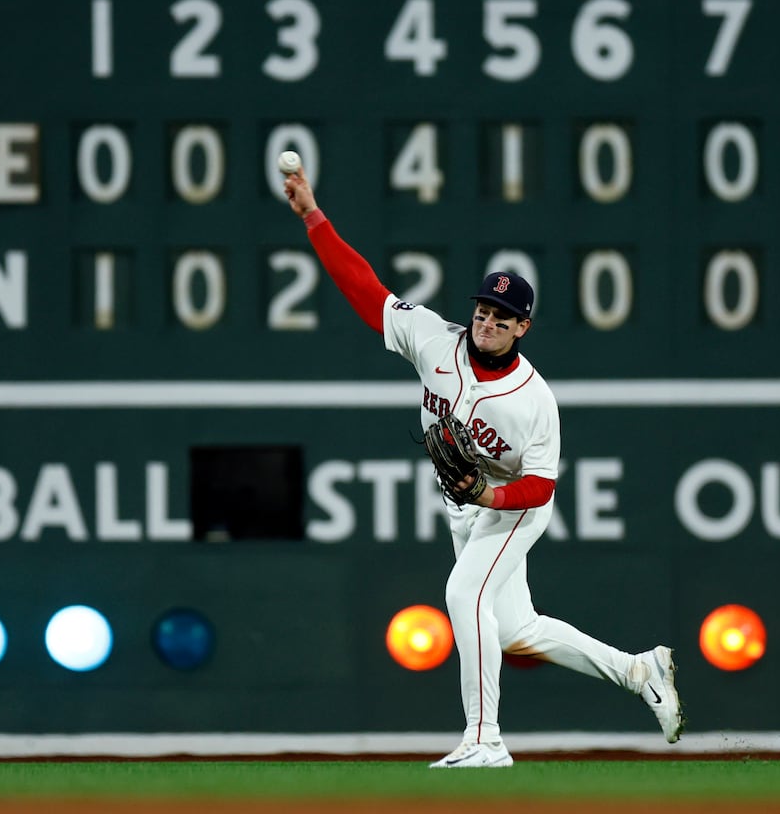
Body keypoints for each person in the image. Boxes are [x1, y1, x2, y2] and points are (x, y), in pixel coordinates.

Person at [282, 158, 685, 768]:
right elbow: (364, 287)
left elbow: (542, 484)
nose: (486, 323)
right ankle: (638, 671)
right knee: (514, 628)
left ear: (522, 326)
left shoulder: (532, 399)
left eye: (501, 318)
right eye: (481, 311)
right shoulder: (434, 341)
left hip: (514, 505)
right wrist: (314, 217)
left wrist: (490, 498)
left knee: (463, 594)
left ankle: (484, 740)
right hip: (466, 504)